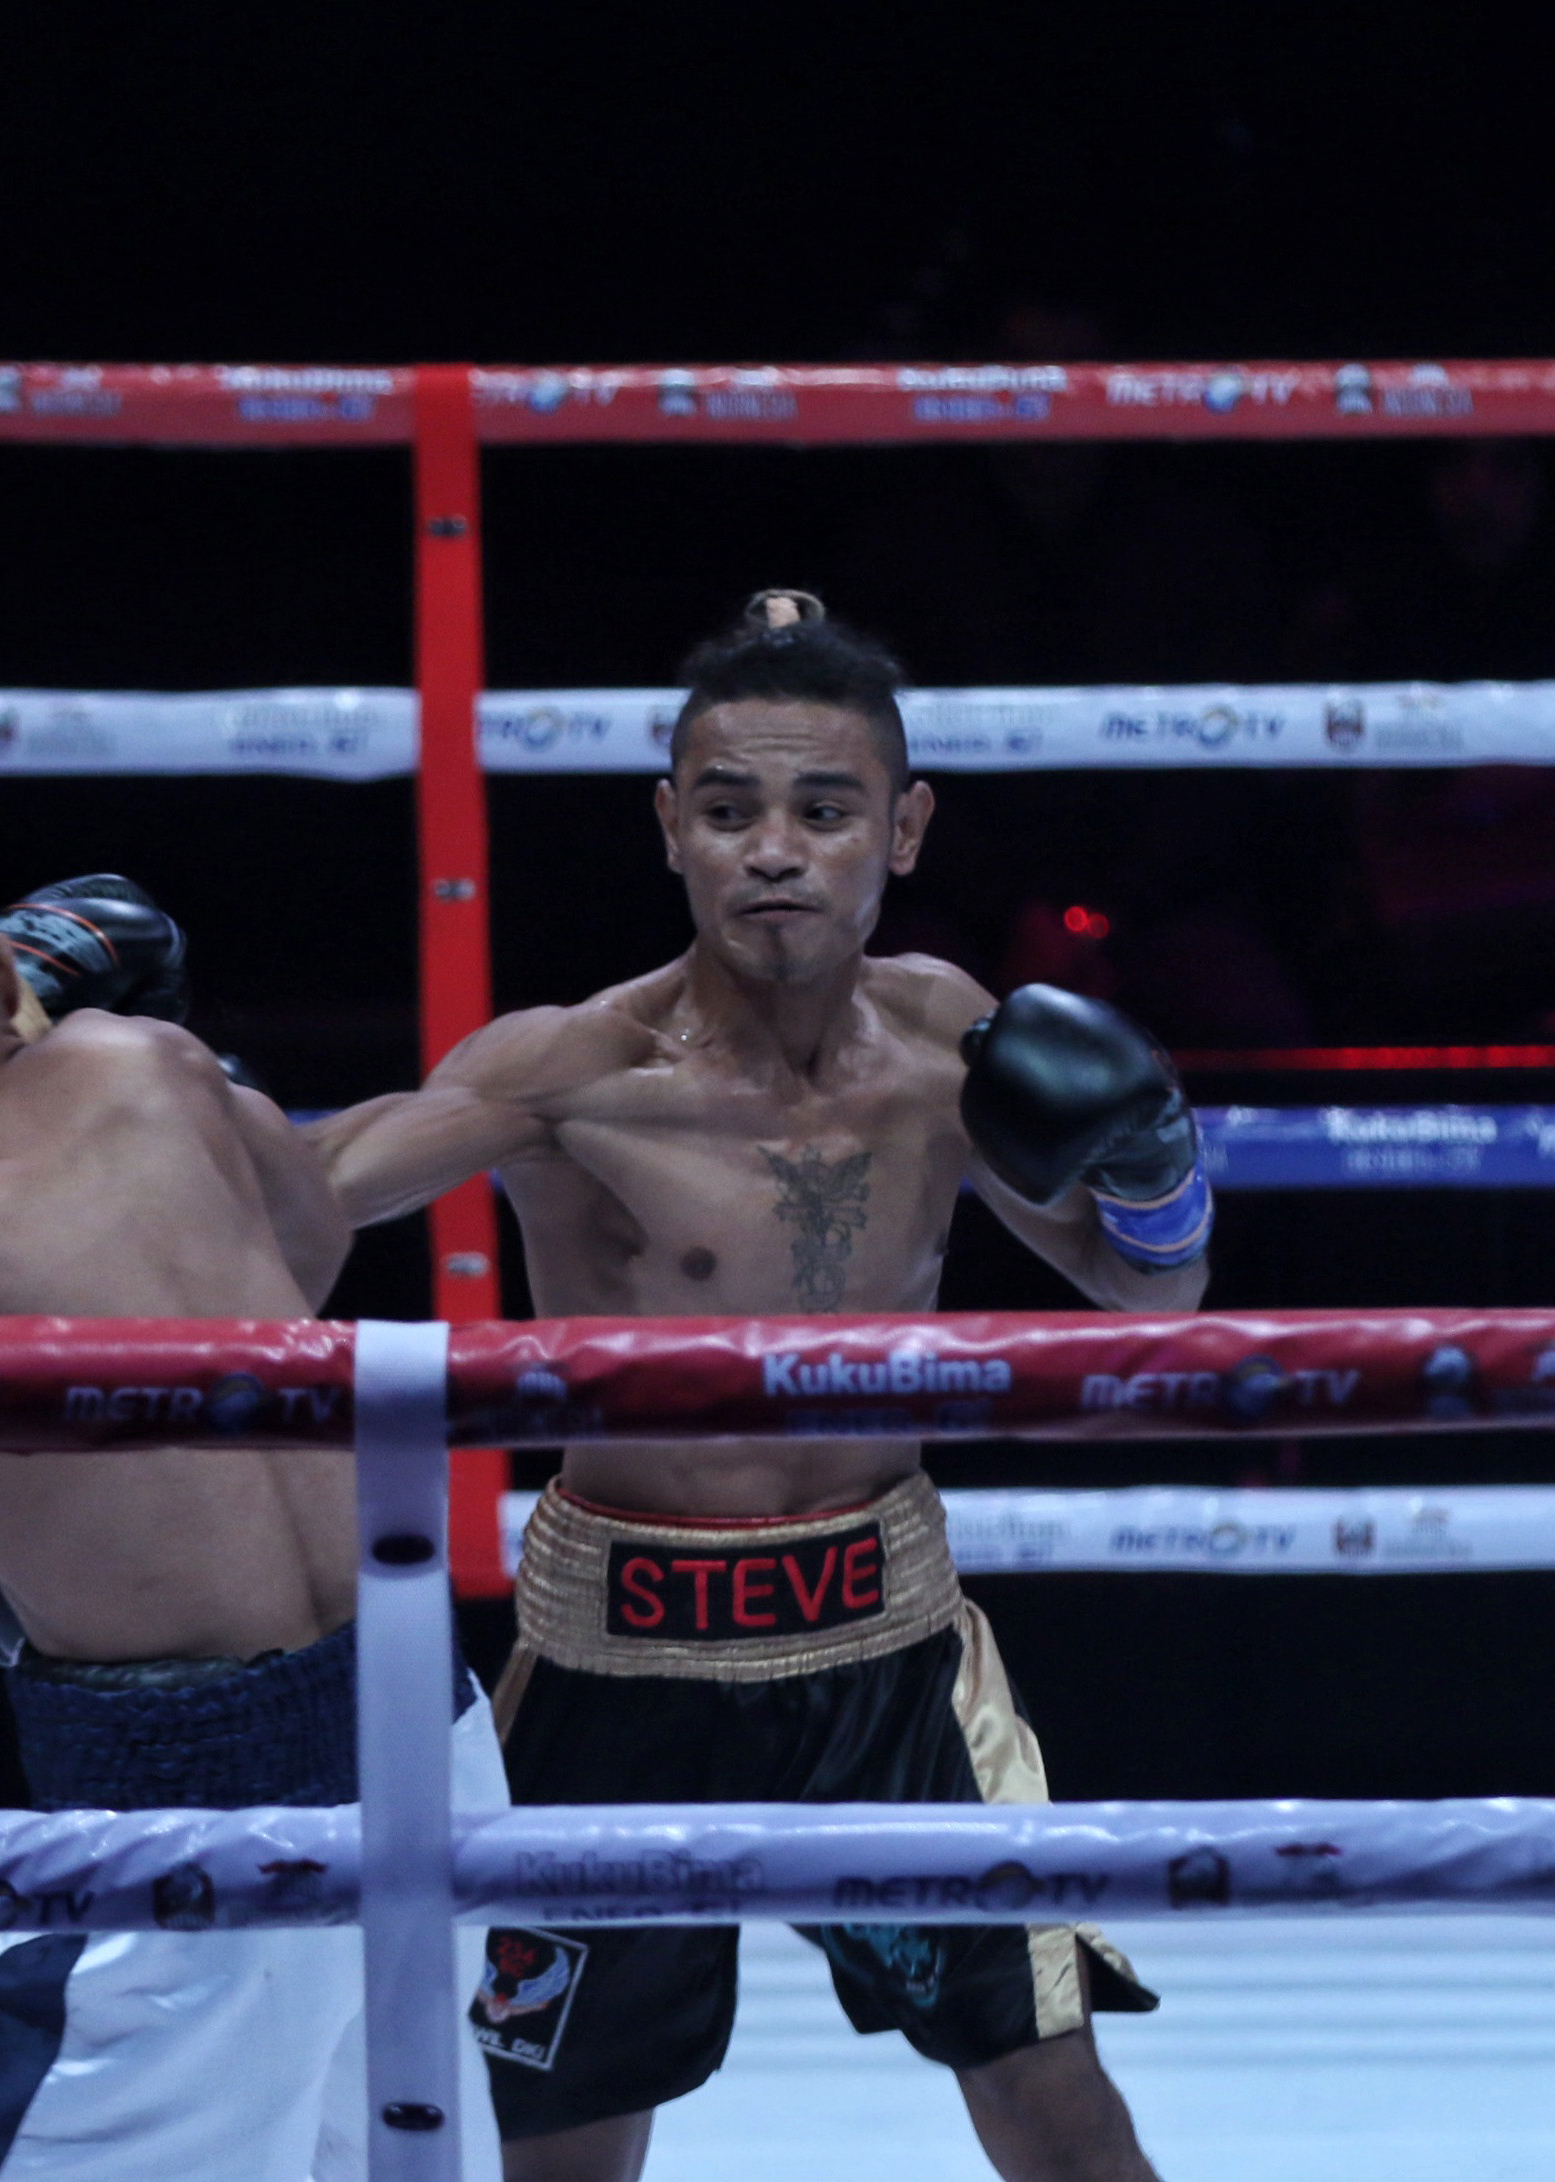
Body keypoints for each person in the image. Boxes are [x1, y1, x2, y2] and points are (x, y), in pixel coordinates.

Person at [314, 594, 1207, 2182]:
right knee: (564, 2149)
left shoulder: (945, 1039)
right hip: (617, 1661)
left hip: (889, 1652)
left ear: (905, 827)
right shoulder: (570, 1068)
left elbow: (1152, 1289)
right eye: (728, 812)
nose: (774, 849)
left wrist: (1160, 1169)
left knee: (1056, 2106)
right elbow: (315, 1200)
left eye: (822, 809)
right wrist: (147, 1111)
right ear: (672, 829)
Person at [0, 788, 503, 2182]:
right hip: (439, 1732)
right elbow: (298, 1269)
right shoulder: (154, 1065)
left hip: (198, 1824)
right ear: (2, 975)